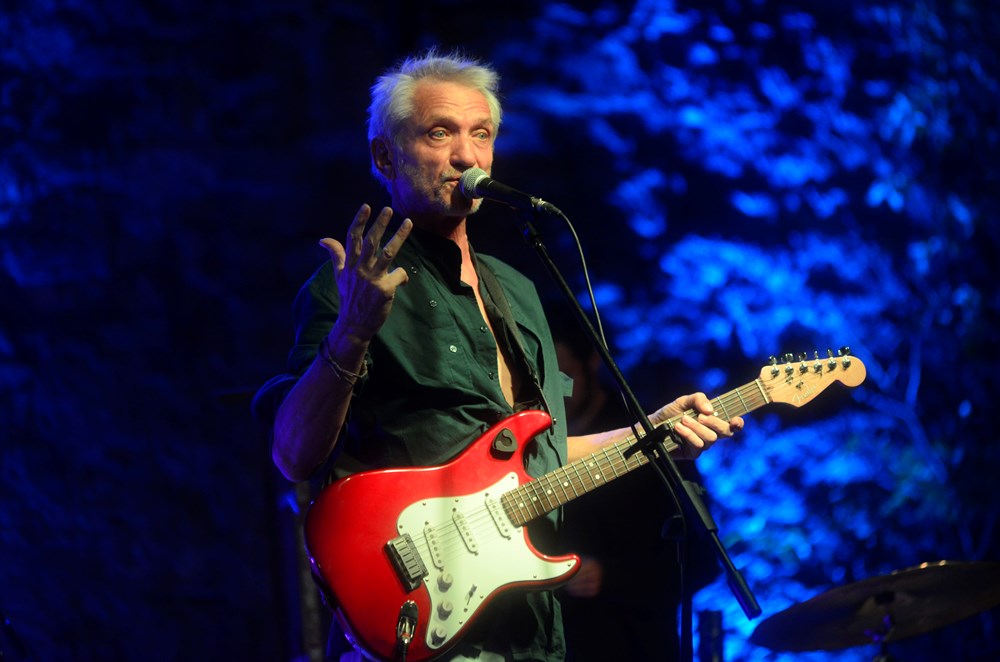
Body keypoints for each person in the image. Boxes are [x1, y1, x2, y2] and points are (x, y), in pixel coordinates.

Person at [259, 48, 743, 662]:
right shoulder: (348, 285)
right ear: (385, 156)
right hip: (418, 618)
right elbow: (294, 454)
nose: (467, 155)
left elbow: (536, 455)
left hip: (527, 629)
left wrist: (653, 434)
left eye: (481, 133)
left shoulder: (516, 290)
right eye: (440, 133)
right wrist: (353, 330)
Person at [551, 317, 721, 661]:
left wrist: (609, 576)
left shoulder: (648, 438)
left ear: (591, 362)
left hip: (637, 646)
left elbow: (702, 561)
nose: (554, 392)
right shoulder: (528, 451)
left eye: (563, 376)